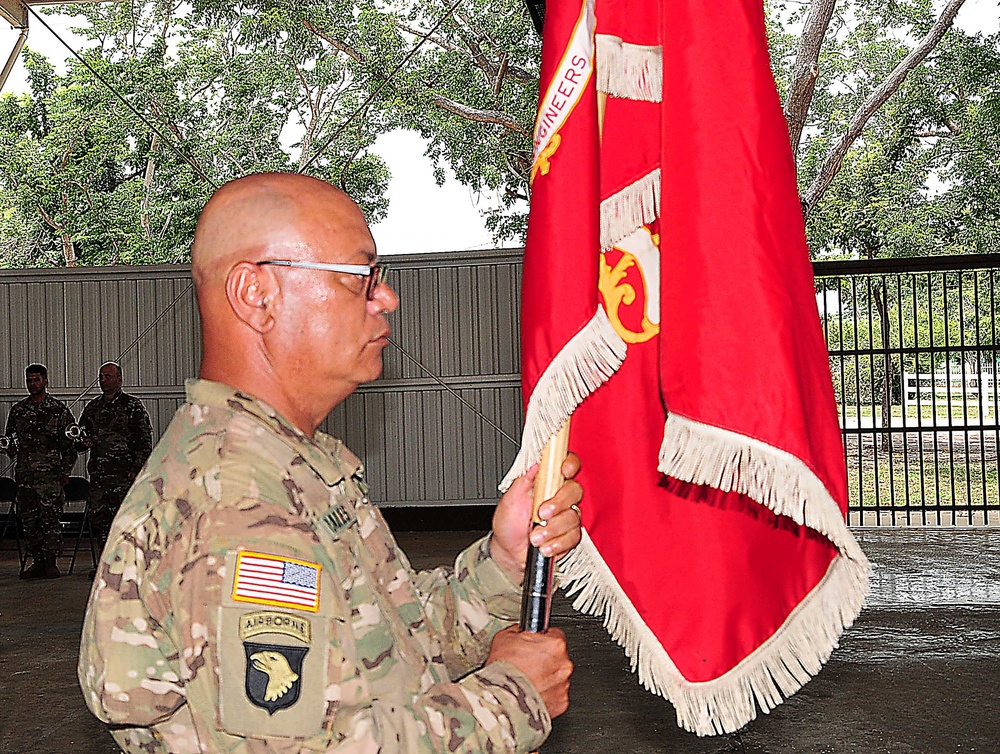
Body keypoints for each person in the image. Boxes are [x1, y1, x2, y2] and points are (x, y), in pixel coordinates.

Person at [78, 173, 584, 753]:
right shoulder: (237, 502)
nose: (386, 297)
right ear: (256, 295)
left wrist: (504, 560)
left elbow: (387, 643)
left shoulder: (286, 462)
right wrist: (512, 697)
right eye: (359, 277)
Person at [4, 363, 78, 579]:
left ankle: (51, 563)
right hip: (26, 475)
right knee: (28, 520)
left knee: (50, 519)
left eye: (36, 380)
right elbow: (11, 442)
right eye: (29, 380)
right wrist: (9, 446)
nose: (32, 384)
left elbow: (69, 446)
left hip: (50, 477)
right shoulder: (18, 411)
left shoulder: (58, 410)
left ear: (45, 381)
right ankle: (37, 561)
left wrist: (65, 472)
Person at [76, 361, 153, 552]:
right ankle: (104, 566)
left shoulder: (131, 406)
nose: (103, 381)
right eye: (101, 377)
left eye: (107, 376)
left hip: (123, 475)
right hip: (99, 477)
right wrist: (82, 442)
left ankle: (125, 566)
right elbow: (79, 437)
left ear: (119, 379)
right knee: (100, 522)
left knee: (125, 521)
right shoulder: (93, 408)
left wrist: (136, 469)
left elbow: (144, 440)